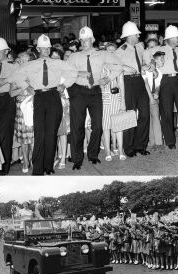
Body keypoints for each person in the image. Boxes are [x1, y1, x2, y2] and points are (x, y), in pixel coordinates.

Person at [0, 34, 77, 175]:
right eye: (43, 48)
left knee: (51, 134)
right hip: (39, 97)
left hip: (54, 96)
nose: (46, 50)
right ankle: (38, 169)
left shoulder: (58, 63)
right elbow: (17, 75)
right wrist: (24, 86)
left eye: (48, 48)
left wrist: (64, 85)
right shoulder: (30, 64)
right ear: (38, 49)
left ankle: (48, 166)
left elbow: (73, 72)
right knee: (39, 133)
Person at [67, 27, 128, 170]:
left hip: (95, 91)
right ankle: (77, 158)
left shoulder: (102, 54)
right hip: (78, 92)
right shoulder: (74, 56)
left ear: (92, 40)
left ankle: (93, 154)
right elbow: (66, 73)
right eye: (82, 40)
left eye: (87, 40)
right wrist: (79, 73)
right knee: (77, 126)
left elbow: (119, 66)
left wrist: (107, 78)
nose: (84, 42)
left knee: (98, 126)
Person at [144, 25, 178, 149]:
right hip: (165, 81)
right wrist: (152, 65)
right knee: (166, 111)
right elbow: (147, 55)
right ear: (169, 38)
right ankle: (170, 141)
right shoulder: (159, 49)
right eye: (176, 37)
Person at [115, 21, 151, 158]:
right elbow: (113, 65)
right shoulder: (121, 50)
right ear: (130, 36)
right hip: (128, 82)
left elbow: (142, 63)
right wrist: (125, 68)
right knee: (130, 115)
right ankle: (128, 147)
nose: (138, 36)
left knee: (144, 114)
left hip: (139, 81)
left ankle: (140, 145)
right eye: (136, 34)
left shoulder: (140, 47)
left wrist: (147, 66)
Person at [0, 37, 19, 175]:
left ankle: (4, 168)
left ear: (6, 51)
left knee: (5, 135)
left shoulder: (14, 65)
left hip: (8, 100)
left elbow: (21, 78)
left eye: (0, 51)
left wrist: (6, 81)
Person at [10, 51, 35, 174]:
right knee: (24, 140)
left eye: (26, 61)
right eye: (21, 61)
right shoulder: (15, 75)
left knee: (34, 138)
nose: (23, 63)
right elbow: (11, 93)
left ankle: (34, 160)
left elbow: (37, 91)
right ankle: (25, 160)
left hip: (33, 108)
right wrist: (23, 89)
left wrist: (27, 93)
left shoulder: (35, 74)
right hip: (21, 110)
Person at [142, 51, 164, 149]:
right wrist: (151, 97)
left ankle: (157, 142)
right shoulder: (146, 70)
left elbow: (158, 85)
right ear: (154, 60)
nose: (163, 61)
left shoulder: (159, 71)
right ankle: (154, 142)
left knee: (155, 117)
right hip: (146, 95)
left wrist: (157, 92)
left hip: (153, 96)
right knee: (150, 119)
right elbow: (146, 84)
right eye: (161, 59)